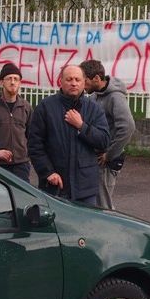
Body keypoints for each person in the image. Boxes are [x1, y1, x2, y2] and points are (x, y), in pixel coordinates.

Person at [27, 63, 110, 206]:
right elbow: (35, 145)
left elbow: (104, 141)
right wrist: (47, 172)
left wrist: (81, 126)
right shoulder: (45, 107)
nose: (74, 83)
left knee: (87, 220)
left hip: (85, 189)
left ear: (84, 83)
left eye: (77, 80)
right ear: (60, 81)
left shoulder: (94, 109)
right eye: (69, 79)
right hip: (54, 186)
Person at [82, 59, 137, 210]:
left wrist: (110, 154)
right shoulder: (95, 96)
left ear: (96, 78)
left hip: (105, 161)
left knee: (103, 206)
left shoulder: (115, 97)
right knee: (94, 203)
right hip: (96, 157)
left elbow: (127, 127)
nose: (82, 85)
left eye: (85, 80)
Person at [0, 62, 33, 181]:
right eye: (9, 78)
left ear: (20, 82)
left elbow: (31, 135)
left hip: (21, 164)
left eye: (16, 79)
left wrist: (27, 156)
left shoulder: (26, 107)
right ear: (1, 82)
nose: (13, 82)